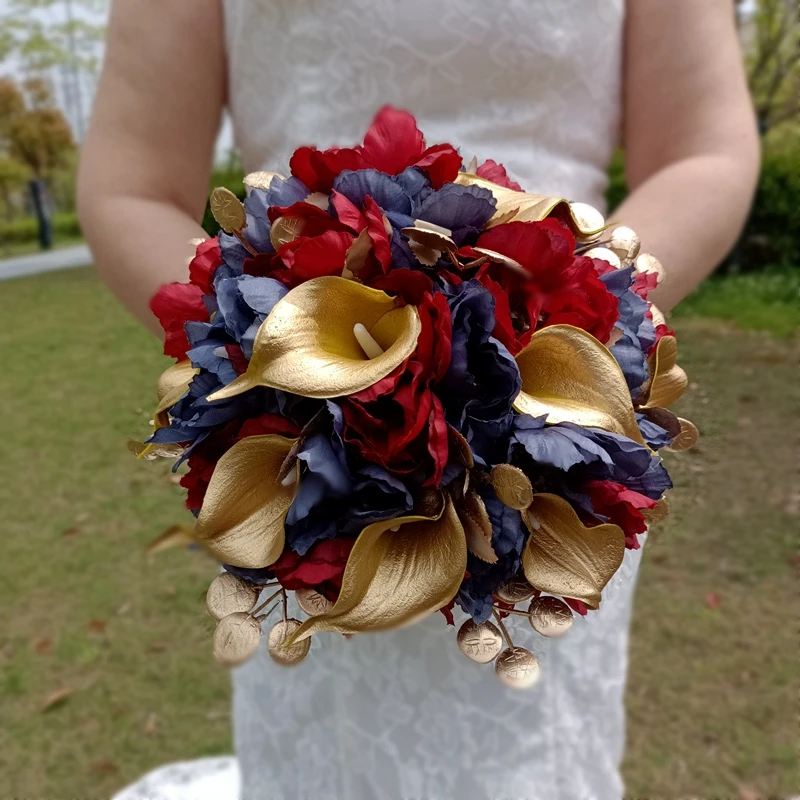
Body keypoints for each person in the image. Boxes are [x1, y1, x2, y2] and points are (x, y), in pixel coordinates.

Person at [78, 1, 759, 798]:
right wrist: (275, 352)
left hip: (549, 426)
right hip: (303, 440)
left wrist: (583, 312)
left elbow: (703, 148)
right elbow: (132, 182)